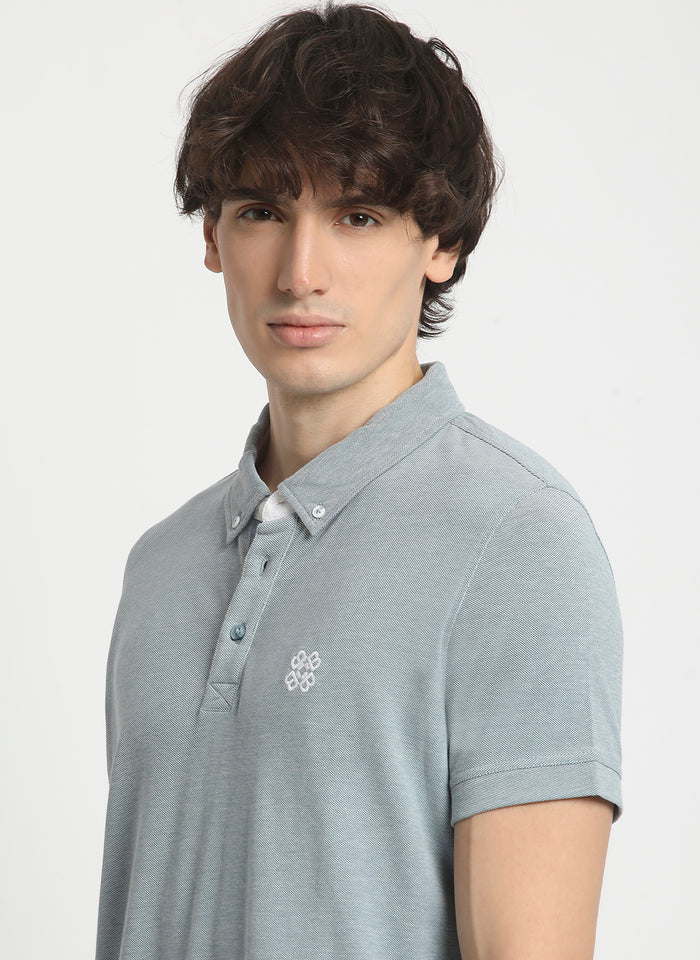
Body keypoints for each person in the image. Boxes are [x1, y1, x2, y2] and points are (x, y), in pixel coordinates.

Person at [95, 4, 623, 959]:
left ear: (442, 243)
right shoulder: (160, 567)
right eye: (262, 211)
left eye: (358, 216)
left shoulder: (518, 542)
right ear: (213, 235)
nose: (301, 272)